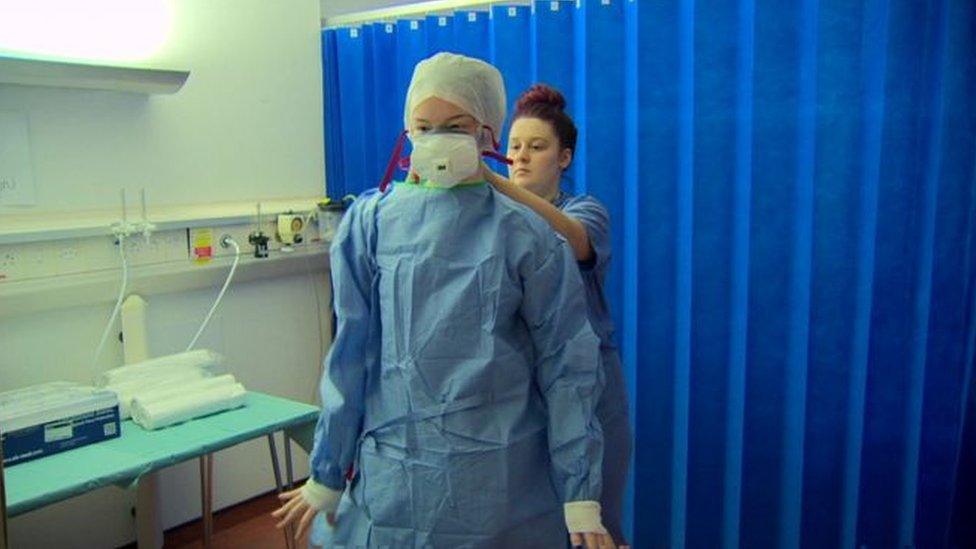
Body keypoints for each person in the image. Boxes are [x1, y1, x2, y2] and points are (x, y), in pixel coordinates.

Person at [273, 53, 615, 549]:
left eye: (455, 126)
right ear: (406, 131)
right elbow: (350, 357)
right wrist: (327, 473)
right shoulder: (369, 225)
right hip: (394, 477)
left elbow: (566, 367)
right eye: (423, 126)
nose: (436, 140)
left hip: (499, 483)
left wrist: (580, 496)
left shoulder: (528, 234)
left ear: (487, 136)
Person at [483, 83, 632, 547]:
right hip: (524, 394)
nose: (521, 156)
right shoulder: (493, 219)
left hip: (592, 392)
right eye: (514, 147)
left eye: (537, 147)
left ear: (564, 158)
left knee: (595, 526)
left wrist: (491, 180)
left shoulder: (586, 211)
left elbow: (571, 240)